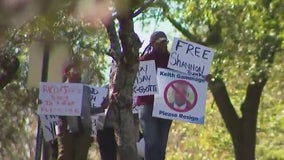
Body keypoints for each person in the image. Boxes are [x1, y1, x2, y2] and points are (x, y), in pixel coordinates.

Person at [137, 31, 172, 160]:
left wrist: (202, 79)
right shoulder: (144, 61)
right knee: (151, 142)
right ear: (153, 44)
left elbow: (188, 78)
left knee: (161, 146)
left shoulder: (173, 61)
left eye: (165, 41)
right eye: (161, 42)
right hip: (148, 106)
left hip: (166, 106)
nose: (164, 44)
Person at [56, 58, 92, 160]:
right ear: (67, 73)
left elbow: (88, 110)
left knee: (80, 157)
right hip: (65, 129)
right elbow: (52, 108)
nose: (78, 73)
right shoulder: (58, 90)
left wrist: (102, 107)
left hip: (83, 130)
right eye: (75, 70)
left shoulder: (86, 90)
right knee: (64, 156)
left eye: (79, 70)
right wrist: (42, 103)